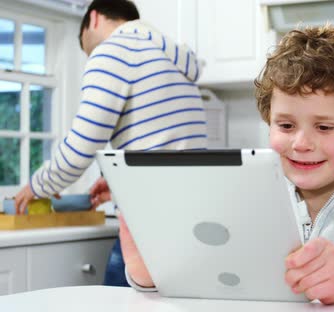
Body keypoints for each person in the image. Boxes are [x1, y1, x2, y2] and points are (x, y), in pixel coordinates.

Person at [120, 24, 334, 304]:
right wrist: (153, 274)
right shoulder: (247, 201)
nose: (301, 143)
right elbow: (208, 276)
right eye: (285, 125)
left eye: (324, 127)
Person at [13, 0, 206, 287]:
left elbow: (81, 148)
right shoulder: (170, 56)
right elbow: (164, 141)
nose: (89, 53)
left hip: (148, 221)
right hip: (193, 215)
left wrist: (37, 185)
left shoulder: (113, 51)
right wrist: (118, 181)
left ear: (93, 18)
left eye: (85, 46)